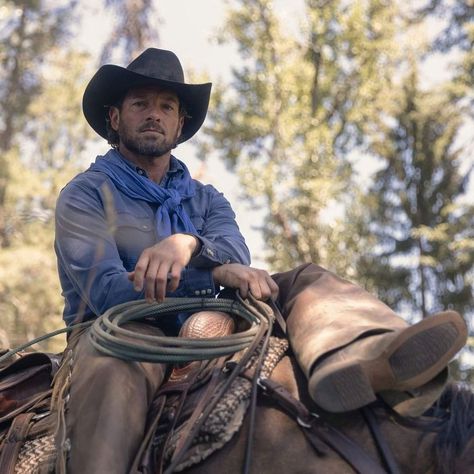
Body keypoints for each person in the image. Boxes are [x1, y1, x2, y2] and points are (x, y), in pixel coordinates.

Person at [54, 48, 467, 473]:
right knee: (112, 369)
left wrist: (188, 244)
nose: (154, 114)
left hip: (210, 323)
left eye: (167, 106)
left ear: (180, 125)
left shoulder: (207, 198)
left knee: (303, 279)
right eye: (140, 103)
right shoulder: (85, 194)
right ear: (116, 119)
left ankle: (365, 355)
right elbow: (104, 291)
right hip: (124, 331)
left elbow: (237, 252)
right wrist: (208, 273)